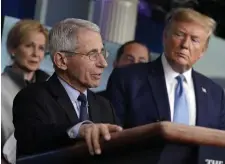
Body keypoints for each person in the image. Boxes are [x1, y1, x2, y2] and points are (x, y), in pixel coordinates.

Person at [106, 8, 225, 163]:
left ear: (203, 50)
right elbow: (110, 136)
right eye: (179, 34)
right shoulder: (128, 78)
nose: (185, 45)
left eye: (194, 39)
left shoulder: (215, 93)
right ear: (165, 37)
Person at [12, 18, 122, 157]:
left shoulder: (105, 106)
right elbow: (34, 140)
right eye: (93, 55)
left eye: (102, 53)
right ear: (62, 61)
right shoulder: (32, 98)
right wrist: (78, 130)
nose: (103, 63)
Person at [1, 19, 49, 163]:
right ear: (13, 49)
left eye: (41, 48)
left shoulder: (52, 90)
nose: (36, 54)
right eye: (29, 46)